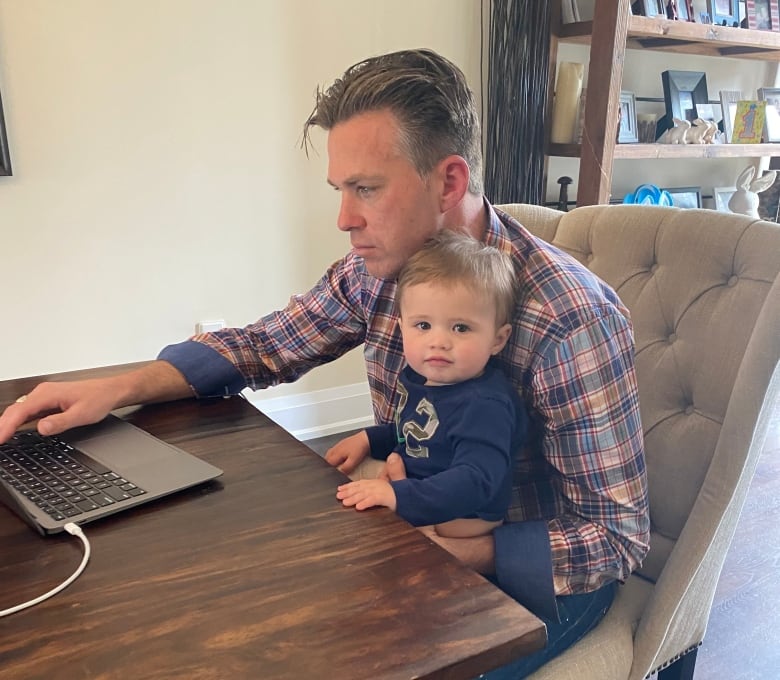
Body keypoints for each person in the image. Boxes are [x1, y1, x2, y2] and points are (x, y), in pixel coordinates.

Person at [0, 48, 649, 677]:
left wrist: (460, 552)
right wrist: (115, 388)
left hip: (535, 586)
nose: (344, 218)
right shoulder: (376, 274)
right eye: (341, 189)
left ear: (449, 181)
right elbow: (264, 344)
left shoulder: (570, 320)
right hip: (416, 538)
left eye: (365, 189)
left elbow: (615, 540)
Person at [333, 230, 528, 540]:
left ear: (498, 339)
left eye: (461, 327)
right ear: (401, 328)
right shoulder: (423, 380)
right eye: (423, 325)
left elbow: (477, 480)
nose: (438, 342)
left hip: (459, 521)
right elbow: (418, 434)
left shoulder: (484, 405)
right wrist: (370, 439)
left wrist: (401, 497)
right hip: (417, 490)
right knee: (335, 489)